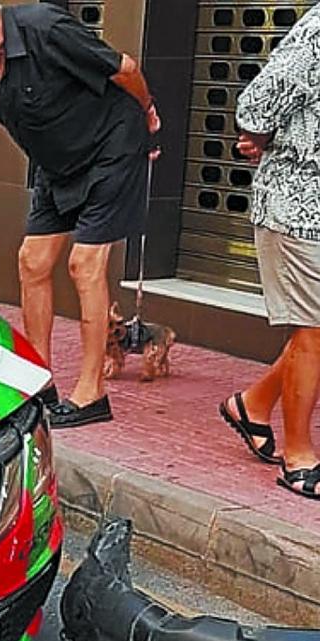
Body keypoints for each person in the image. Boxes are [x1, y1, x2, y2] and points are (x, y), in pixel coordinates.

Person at [0, 0, 160, 428]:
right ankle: (38, 381)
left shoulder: (45, 29)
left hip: (110, 149)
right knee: (32, 261)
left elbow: (125, 68)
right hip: (58, 166)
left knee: (84, 264)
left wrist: (147, 114)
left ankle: (92, 392)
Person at [220, 7, 320, 500]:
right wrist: (259, 135)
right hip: (299, 208)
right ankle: (299, 456)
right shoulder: (318, 29)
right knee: (314, 329)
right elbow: (257, 102)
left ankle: (252, 405)